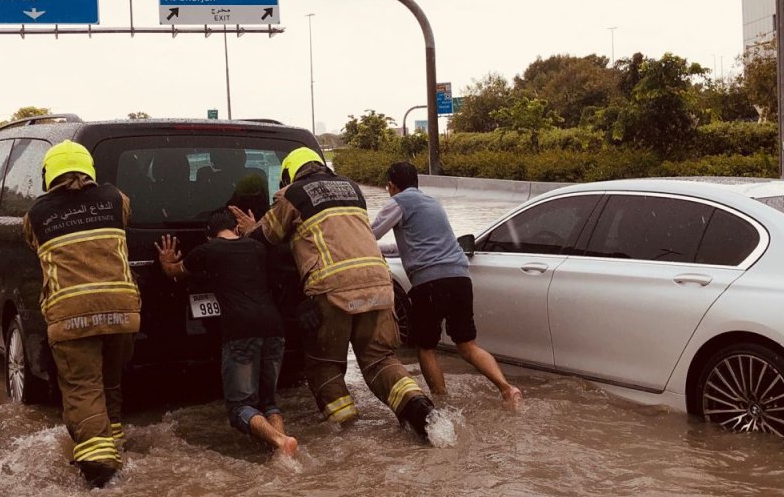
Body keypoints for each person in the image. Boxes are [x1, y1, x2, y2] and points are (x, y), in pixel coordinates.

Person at [229, 148, 438, 442]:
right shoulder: (353, 189)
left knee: (323, 366)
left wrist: (251, 228)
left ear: (289, 174)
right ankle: (423, 413)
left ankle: (349, 437)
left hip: (331, 289)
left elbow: (265, 240)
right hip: (379, 285)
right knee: (381, 360)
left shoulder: (294, 194)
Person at [22, 141, 140, 488]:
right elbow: (125, 218)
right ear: (89, 169)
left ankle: (99, 465)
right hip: (122, 310)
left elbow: (34, 243)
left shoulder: (36, 215)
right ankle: (114, 440)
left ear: (49, 175)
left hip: (71, 315)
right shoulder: (117, 199)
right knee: (110, 380)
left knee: (82, 386)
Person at [371, 161, 522, 408]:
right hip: (460, 279)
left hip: (430, 284)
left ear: (391, 185)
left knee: (426, 348)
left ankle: (441, 404)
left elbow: (371, 233)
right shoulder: (433, 203)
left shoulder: (399, 202)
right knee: (467, 346)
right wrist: (383, 251)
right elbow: (416, 244)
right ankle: (507, 388)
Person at [154, 210, 299, 457]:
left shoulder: (208, 251)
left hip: (241, 332)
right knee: (269, 403)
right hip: (274, 328)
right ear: (237, 229)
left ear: (210, 236)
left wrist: (166, 261)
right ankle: (284, 451)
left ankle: (279, 440)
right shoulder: (257, 248)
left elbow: (176, 274)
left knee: (239, 407)